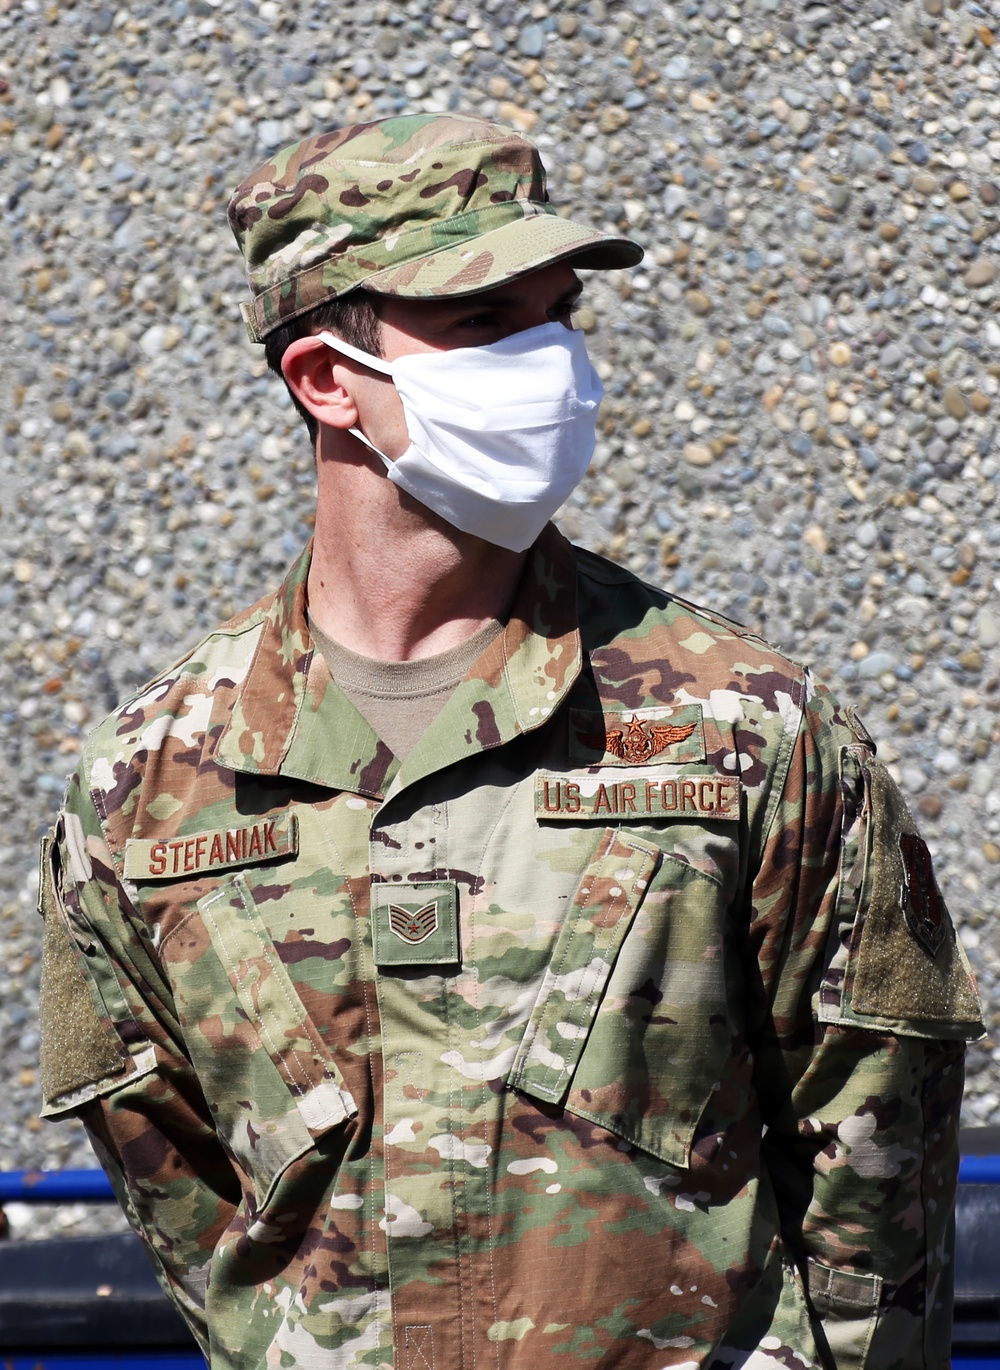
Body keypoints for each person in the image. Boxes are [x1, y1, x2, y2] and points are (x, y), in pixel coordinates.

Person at [38, 113, 983, 1370]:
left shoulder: (746, 728)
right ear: (327, 379)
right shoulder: (147, 785)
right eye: (486, 322)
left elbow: (875, 1186)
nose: (551, 363)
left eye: (560, 314)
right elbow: (194, 1206)